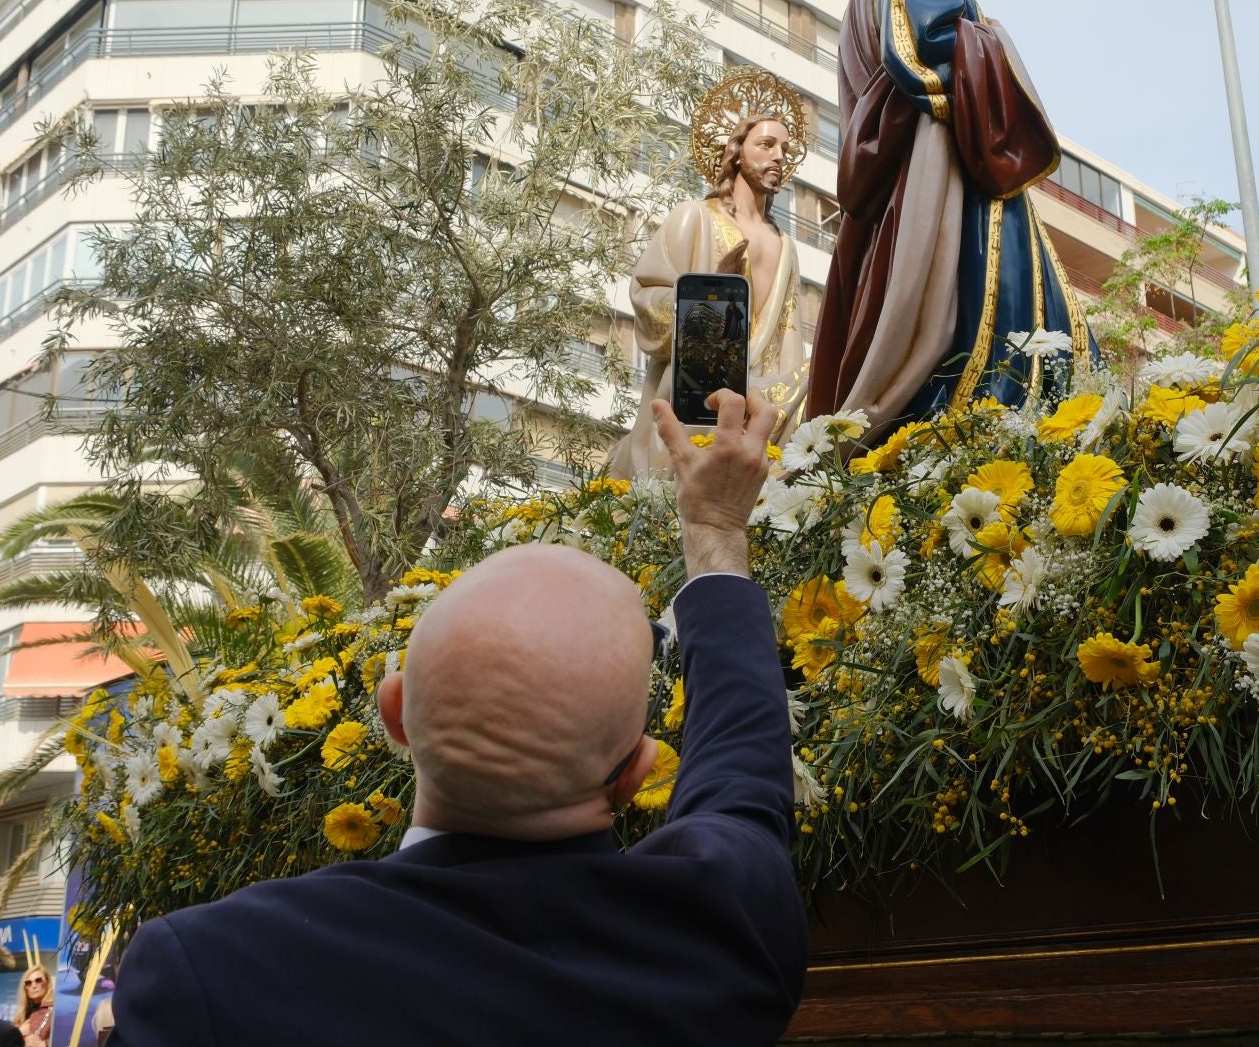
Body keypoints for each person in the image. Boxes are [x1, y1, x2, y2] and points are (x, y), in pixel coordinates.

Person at [110, 389, 806, 1045]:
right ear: (635, 776)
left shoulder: (213, 968)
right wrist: (715, 532)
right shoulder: (716, 938)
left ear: (394, 714)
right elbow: (741, 777)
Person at [807, 0, 1085, 433]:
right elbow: (925, 44)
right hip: (940, 147)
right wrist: (993, 44)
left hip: (897, 162)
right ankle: (971, 405)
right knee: (976, 283)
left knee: (901, 290)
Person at [610, 66, 809, 477]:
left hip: (763, 395)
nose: (778, 157)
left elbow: (789, 339)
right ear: (736, 151)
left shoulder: (785, 246)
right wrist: (711, 295)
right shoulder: (694, 218)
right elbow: (647, 298)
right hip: (698, 391)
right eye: (767, 145)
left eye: (784, 150)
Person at [11, 969, 52, 1046]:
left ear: (47, 983)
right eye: (28, 983)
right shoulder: (23, 1014)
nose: (33, 986)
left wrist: (44, 1044)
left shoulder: (54, 1010)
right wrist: (18, 1033)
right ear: (25, 988)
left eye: (38, 980)